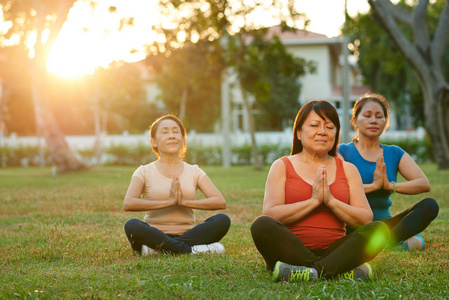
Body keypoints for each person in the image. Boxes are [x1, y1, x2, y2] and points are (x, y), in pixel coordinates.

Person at [251, 100, 390, 283]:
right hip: (289, 250)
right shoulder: (282, 166)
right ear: (299, 132)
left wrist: (331, 201)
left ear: (336, 133)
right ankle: (335, 270)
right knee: (261, 225)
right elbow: (271, 213)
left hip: (335, 249)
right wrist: (314, 201)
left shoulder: (348, 169)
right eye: (315, 125)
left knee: (379, 230)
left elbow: (365, 218)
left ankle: (307, 272)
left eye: (330, 127)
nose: (322, 131)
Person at [338, 93, 439, 250]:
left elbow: (423, 184)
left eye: (379, 116)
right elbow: (338, 189)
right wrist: (374, 185)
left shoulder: (394, 153)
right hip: (354, 225)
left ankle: (386, 243)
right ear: (354, 120)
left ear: (386, 122)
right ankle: (389, 245)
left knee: (430, 206)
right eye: (367, 115)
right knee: (416, 242)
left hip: (386, 227)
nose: (374, 120)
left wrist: (390, 186)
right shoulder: (342, 152)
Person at [123, 114, 231, 256]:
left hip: (189, 234)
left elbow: (219, 202)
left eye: (175, 131)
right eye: (165, 132)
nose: (171, 135)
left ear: (183, 141)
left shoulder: (194, 171)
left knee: (222, 220)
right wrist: (168, 202)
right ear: (154, 142)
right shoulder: (143, 171)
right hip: (154, 234)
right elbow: (129, 203)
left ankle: (160, 250)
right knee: (132, 225)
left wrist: (184, 202)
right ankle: (191, 250)